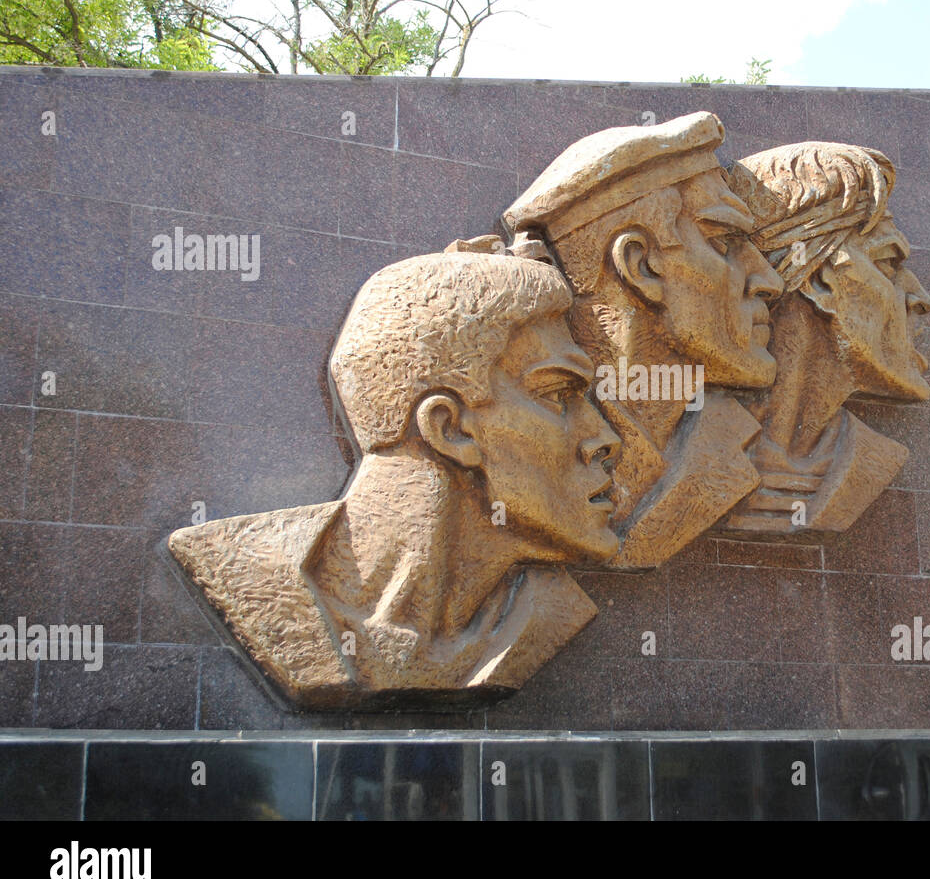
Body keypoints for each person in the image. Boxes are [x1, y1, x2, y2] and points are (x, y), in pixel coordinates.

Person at [168, 250, 621, 708]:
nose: (604, 439)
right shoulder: (254, 579)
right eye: (559, 393)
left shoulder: (546, 618)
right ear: (450, 428)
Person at [502, 111, 784, 568]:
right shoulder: (515, 449)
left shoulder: (739, 441)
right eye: (725, 242)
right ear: (641, 265)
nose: (768, 280)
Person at [719, 141, 930, 533]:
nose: (922, 299)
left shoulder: (873, 461)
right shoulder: (699, 458)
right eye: (887, 262)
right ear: (820, 280)